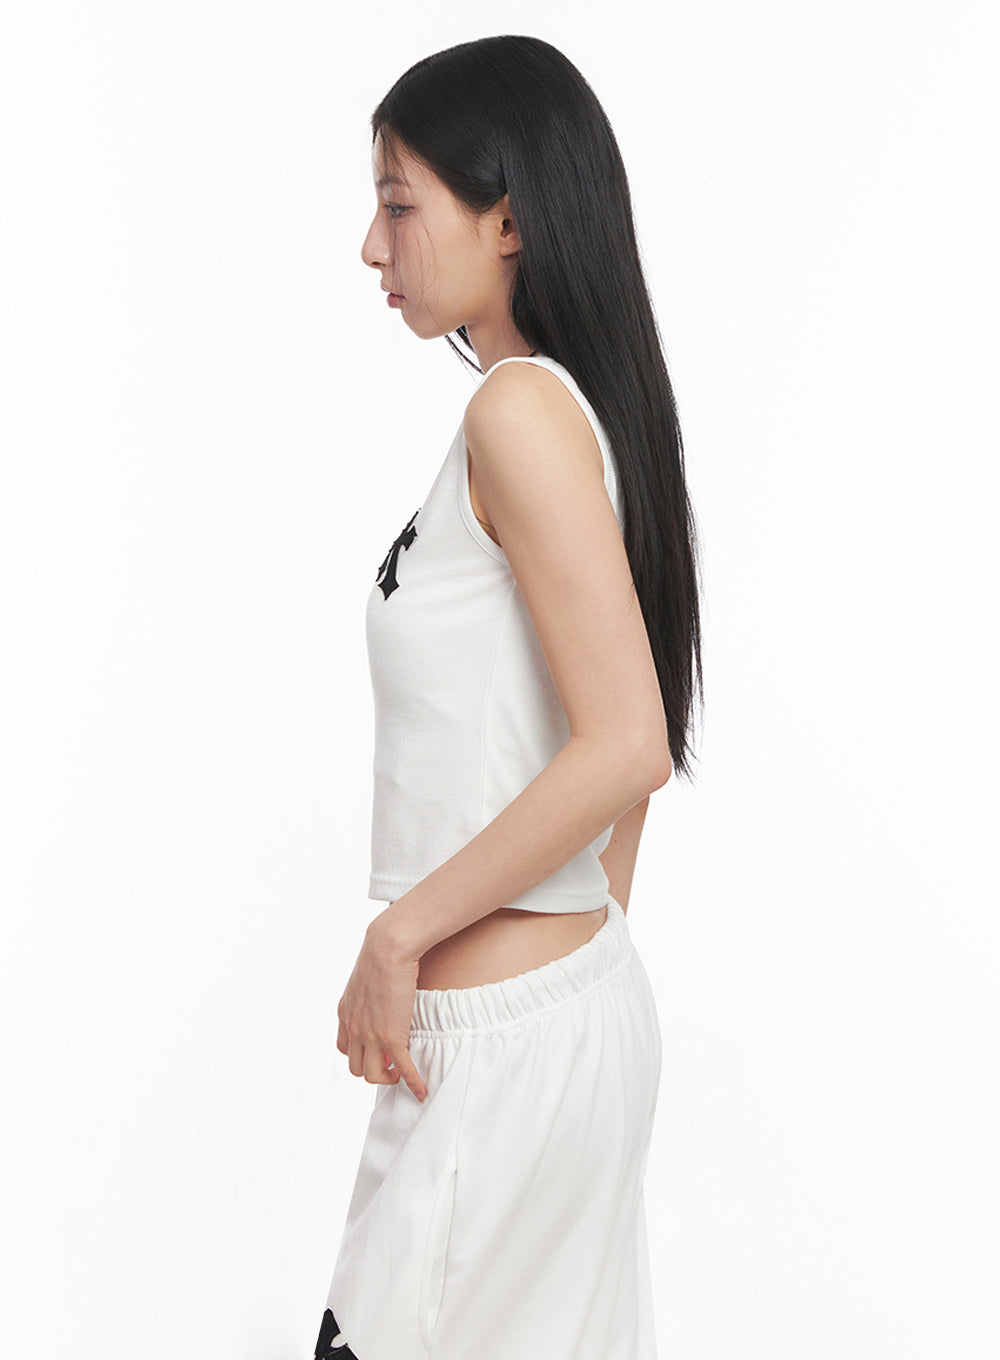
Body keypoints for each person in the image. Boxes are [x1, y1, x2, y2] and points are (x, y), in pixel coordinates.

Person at [313, 34, 703, 1360]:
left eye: (399, 203)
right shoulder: (568, 414)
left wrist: (402, 940)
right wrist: (571, 977)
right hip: (533, 1036)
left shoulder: (520, 414)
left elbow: (628, 744)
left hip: (503, 1056)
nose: (373, 246)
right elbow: (630, 729)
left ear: (511, 219)